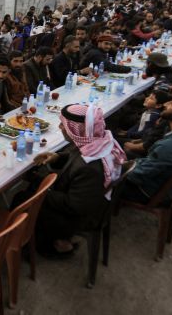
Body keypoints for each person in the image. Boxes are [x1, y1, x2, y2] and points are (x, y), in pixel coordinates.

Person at [29, 103, 125, 257]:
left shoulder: (92, 168)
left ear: (78, 129)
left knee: (24, 198)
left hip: (78, 216)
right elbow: (78, 156)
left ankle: (45, 246)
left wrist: (42, 191)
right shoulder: (96, 140)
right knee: (34, 183)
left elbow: (74, 205)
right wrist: (57, 158)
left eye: (64, 124)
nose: (60, 127)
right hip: (86, 199)